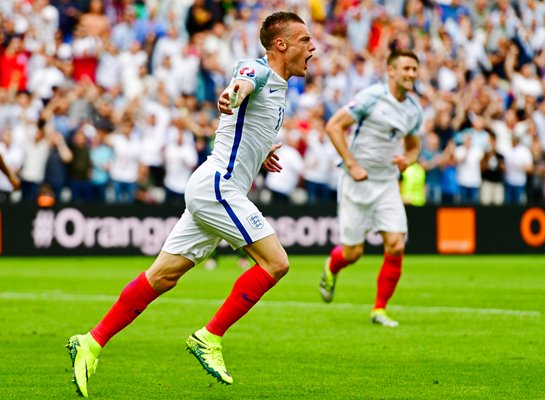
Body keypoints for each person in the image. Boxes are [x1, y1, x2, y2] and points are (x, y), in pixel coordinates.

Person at [66, 11, 315, 397]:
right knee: (276, 262)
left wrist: (261, 150)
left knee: (162, 276)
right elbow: (242, 84)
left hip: (212, 185)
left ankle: (91, 341)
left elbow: (247, 122)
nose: (312, 48)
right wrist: (230, 94)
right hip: (220, 187)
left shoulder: (280, 87)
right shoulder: (259, 70)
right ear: (281, 45)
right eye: (304, 40)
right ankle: (209, 337)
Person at [319, 49, 422, 327]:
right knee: (353, 253)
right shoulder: (371, 97)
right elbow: (333, 127)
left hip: (387, 182)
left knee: (396, 245)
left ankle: (380, 309)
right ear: (391, 71)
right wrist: (352, 164)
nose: (411, 74)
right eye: (406, 69)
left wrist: (407, 160)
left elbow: (413, 147)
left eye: (415, 69)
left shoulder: (414, 109)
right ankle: (332, 265)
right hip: (356, 181)